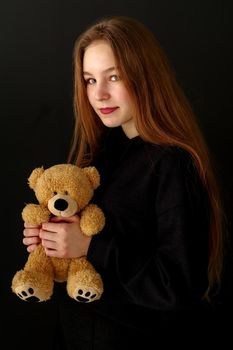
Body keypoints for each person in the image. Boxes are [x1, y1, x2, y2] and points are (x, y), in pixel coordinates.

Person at [23, 16, 225, 348]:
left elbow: (177, 286)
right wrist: (53, 237)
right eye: (89, 80)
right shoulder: (100, 156)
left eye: (113, 77)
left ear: (145, 77)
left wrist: (90, 247)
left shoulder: (173, 163)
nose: (99, 94)